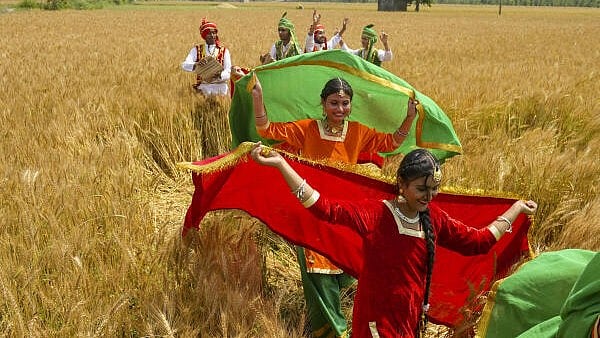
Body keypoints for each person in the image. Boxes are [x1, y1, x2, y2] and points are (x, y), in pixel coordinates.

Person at [249, 144, 538, 338]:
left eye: (434, 189)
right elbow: (323, 208)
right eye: (421, 189)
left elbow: (479, 242)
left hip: (410, 321)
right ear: (401, 184)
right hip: (376, 321)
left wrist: (516, 210)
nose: (429, 196)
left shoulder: (434, 219)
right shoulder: (376, 214)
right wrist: (281, 165)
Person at [252, 76, 418, 337]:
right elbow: (266, 130)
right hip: (310, 209)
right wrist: (258, 95)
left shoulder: (357, 132)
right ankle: (332, 330)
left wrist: (409, 117)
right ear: (323, 103)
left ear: (350, 105)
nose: (339, 109)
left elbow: (391, 143)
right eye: (333, 103)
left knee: (347, 265)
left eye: (345, 103)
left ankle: (331, 320)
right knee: (318, 270)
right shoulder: (306, 129)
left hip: (343, 212)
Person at [181, 18, 232, 96]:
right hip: (204, 88)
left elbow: (228, 70)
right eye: (209, 33)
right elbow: (184, 65)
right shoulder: (196, 50)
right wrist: (196, 64)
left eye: (214, 33)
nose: (212, 35)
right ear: (204, 35)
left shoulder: (224, 51)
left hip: (221, 88)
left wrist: (220, 75)